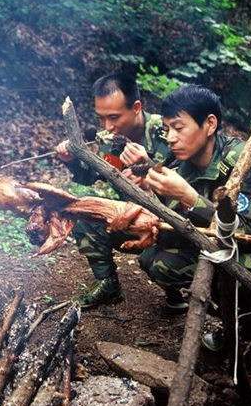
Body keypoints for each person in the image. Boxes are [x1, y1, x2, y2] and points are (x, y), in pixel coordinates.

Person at [138, 85, 251, 405]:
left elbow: (250, 238)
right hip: (231, 254)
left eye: (178, 128)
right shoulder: (183, 166)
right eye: (166, 129)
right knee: (156, 259)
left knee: (231, 269)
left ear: (209, 124)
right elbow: (183, 233)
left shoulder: (242, 163)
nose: (170, 138)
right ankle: (239, 326)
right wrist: (153, 212)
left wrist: (190, 198)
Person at [55, 73, 171, 310]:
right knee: (84, 215)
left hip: (173, 224)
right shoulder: (110, 139)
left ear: (136, 108)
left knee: (160, 262)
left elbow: (192, 185)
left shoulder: (169, 131)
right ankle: (108, 284)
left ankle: (178, 291)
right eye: (101, 118)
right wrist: (72, 161)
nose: (107, 126)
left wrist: (149, 171)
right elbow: (92, 175)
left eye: (114, 117)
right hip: (128, 219)